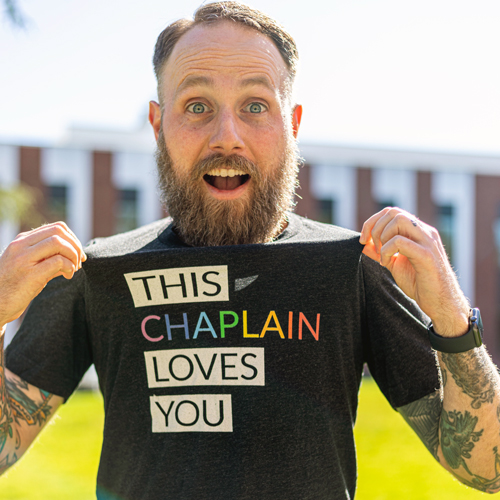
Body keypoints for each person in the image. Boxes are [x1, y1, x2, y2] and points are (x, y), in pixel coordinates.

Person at [1, 2, 499, 498]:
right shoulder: (98, 273)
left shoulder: (353, 269)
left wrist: (453, 317)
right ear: (157, 125)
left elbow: (484, 468)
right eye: (197, 106)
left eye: (256, 105)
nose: (227, 137)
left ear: (293, 124)